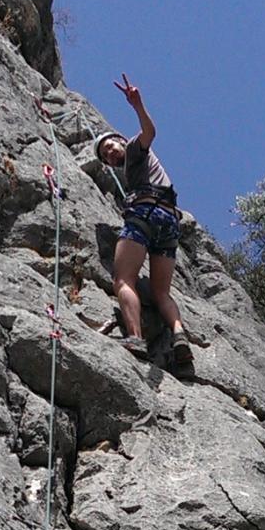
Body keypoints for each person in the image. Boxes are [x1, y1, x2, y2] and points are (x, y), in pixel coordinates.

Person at [95, 74, 192, 369]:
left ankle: (136, 338)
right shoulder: (134, 166)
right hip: (169, 222)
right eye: (106, 157)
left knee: (123, 279)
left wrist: (137, 104)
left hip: (144, 215)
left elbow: (149, 132)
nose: (110, 154)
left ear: (122, 140)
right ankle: (179, 335)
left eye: (111, 147)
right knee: (161, 292)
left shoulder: (136, 150)